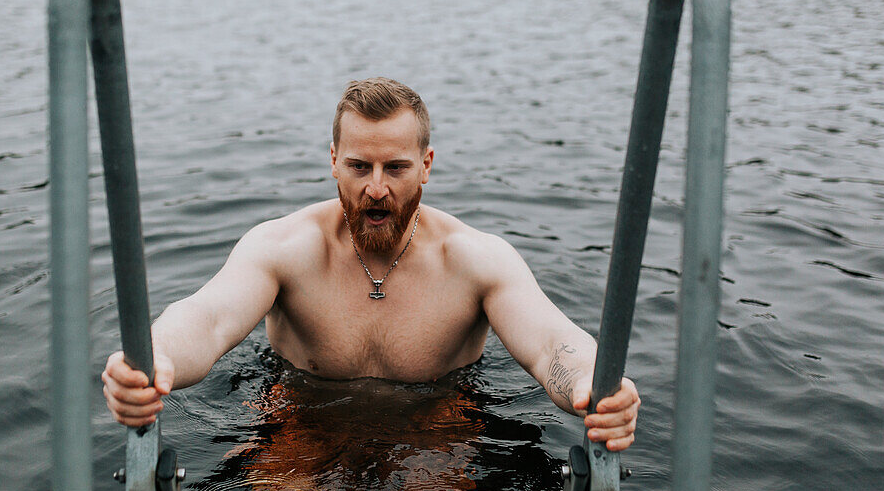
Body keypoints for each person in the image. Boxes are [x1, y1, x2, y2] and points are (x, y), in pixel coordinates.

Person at [103, 77, 640, 452]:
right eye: (359, 166)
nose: (376, 188)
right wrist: (152, 361)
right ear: (333, 160)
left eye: (396, 168)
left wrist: (595, 385)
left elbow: (552, 343)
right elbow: (208, 317)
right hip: (300, 425)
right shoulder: (285, 249)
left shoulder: (475, 260)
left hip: (438, 428)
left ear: (426, 166)